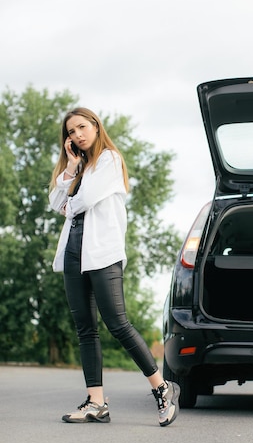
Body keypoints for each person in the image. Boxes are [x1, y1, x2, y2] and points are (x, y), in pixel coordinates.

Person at [49, 107, 180, 426]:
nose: (76, 135)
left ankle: (161, 388)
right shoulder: (77, 167)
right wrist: (70, 167)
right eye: (70, 132)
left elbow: (86, 200)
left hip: (102, 253)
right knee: (85, 329)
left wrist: (70, 203)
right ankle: (96, 402)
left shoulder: (109, 159)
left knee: (118, 324)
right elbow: (56, 203)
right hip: (73, 253)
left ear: (95, 126)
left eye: (81, 127)